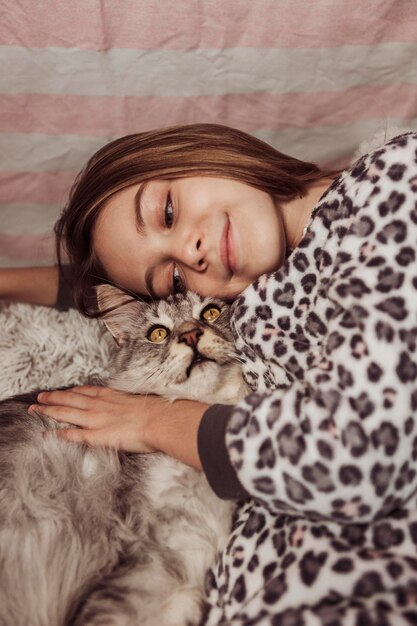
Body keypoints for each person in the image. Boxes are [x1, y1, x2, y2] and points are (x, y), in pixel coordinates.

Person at [2, 124, 417, 624]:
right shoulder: (244, 289)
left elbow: (354, 451)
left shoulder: (394, 179)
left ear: (198, 151)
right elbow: (107, 294)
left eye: (168, 213)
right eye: (173, 276)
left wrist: (153, 421)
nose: (190, 252)